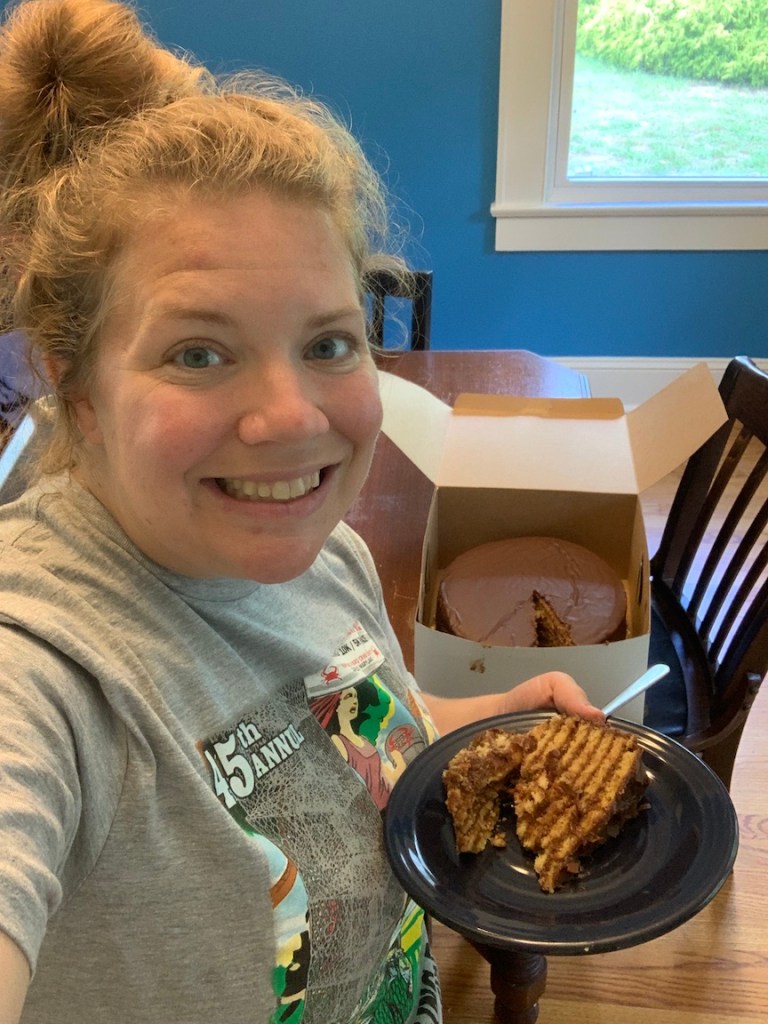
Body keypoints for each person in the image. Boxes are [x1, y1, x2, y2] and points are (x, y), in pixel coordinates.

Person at [0, 2, 605, 1022]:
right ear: (79, 387)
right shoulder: (48, 661)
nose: (292, 418)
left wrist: (478, 727)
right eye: (199, 352)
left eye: (327, 343)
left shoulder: (325, 555)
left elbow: (337, 728)